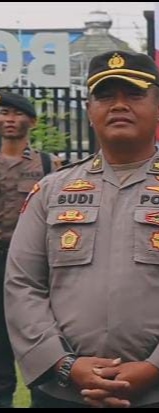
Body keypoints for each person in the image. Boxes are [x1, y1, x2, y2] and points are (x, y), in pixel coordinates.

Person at [4, 50, 159, 408]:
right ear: (89, 110)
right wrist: (64, 364)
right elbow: (22, 283)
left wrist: (156, 368)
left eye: (134, 94)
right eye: (105, 96)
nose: (119, 105)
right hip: (65, 392)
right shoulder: (51, 190)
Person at [0, 91, 61, 408]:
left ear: (32, 121)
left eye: (17, 113)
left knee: (40, 336)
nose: (10, 119)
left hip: (33, 264)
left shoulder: (49, 165)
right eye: (4, 112)